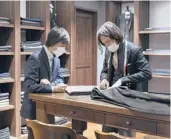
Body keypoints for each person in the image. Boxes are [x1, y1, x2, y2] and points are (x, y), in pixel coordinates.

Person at [96, 22, 152, 137]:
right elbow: (105, 70)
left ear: (115, 36)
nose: (106, 46)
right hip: (111, 95)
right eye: (104, 44)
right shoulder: (108, 51)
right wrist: (104, 79)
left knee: (125, 132)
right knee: (107, 130)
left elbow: (147, 73)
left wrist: (124, 80)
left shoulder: (134, 50)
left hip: (129, 96)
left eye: (108, 42)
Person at [21, 27, 70, 138]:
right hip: (33, 108)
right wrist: (52, 88)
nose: (64, 49)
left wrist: (56, 83)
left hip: (48, 106)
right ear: (54, 42)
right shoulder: (35, 57)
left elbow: (59, 77)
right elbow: (29, 86)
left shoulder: (56, 59)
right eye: (62, 45)